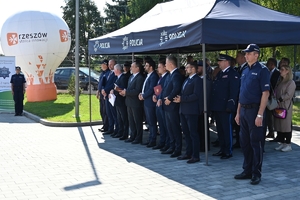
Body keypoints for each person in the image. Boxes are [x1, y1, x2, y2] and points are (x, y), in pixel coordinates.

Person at [234, 44, 270, 185]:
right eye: (246, 53)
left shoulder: (262, 70)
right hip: (243, 111)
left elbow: (265, 93)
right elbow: (241, 93)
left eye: (249, 53)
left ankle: (256, 173)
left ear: (256, 55)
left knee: (256, 143)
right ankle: (247, 170)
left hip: (255, 110)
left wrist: (260, 114)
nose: (246, 55)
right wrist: (238, 112)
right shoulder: (244, 70)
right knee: (245, 142)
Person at [211, 54, 240, 159]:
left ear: (226, 62)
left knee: (227, 129)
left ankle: (228, 151)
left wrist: (230, 104)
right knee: (220, 129)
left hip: (226, 107)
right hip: (218, 106)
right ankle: (222, 149)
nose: (218, 63)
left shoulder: (232, 74)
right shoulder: (220, 73)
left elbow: (234, 92)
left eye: (220, 61)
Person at [174, 62, 202, 164]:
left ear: (193, 69)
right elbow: (182, 92)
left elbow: (195, 95)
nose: (186, 69)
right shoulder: (187, 79)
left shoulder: (197, 80)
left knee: (193, 133)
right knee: (186, 133)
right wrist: (179, 98)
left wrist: (183, 99)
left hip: (191, 110)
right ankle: (188, 153)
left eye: (188, 68)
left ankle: (195, 155)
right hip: (183, 109)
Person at [161, 55, 183, 158]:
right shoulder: (170, 75)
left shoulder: (176, 75)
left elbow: (176, 88)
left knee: (175, 128)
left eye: (166, 63)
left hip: (172, 105)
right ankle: (171, 146)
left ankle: (177, 149)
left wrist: (169, 98)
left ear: (170, 64)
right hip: (167, 106)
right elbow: (165, 88)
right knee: (169, 128)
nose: (165, 65)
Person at [120, 62, 145, 144]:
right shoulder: (131, 77)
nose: (131, 68)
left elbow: (137, 90)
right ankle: (132, 135)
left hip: (136, 103)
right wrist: (124, 92)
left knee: (137, 120)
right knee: (131, 121)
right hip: (129, 102)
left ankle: (138, 137)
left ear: (137, 68)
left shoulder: (140, 78)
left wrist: (126, 92)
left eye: (132, 67)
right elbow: (129, 88)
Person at [273, 65, 296, 152]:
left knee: (286, 125)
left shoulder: (291, 82)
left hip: (286, 106)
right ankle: (282, 142)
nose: (280, 71)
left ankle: (288, 144)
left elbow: (288, 94)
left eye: (282, 70)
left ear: (287, 71)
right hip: (278, 106)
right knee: (279, 124)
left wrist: (280, 99)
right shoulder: (280, 81)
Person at [139, 59, 159, 147]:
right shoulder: (148, 75)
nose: (144, 67)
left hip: (150, 102)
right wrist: (141, 94)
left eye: (146, 65)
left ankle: (153, 140)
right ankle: (150, 138)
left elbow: (151, 89)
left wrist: (144, 95)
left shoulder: (154, 76)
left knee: (152, 121)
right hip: (146, 101)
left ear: (151, 67)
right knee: (149, 122)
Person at [152, 59, 169, 150]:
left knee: (165, 125)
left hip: (163, 104)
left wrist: (159, 98)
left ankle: (166, 142)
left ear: (165, 68)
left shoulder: (166, 77)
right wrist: (155, 95)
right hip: (158, 103)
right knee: (161, 124)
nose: (158, 69)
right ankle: (162, 142)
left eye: (159, 67)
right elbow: (158, 89)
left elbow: (165, 90)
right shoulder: (161, 77)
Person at [110, 64, 129, 140]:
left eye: (114, 70)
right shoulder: (117, 78)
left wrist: (115, 91)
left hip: (122, 101)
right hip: (117, 101)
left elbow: (122, 89)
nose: (114, 71)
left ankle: (125, 133)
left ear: (117, 70)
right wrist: (113, 90)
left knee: (124, 118)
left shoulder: (123, 78)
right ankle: (120, 132)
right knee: (119, 118)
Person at [196, 60, 212, 152]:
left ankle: (205, 146)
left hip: (203, 109)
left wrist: (205, 109)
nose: (197, 69)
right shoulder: (198, 79)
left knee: (203, 129)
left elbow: (207, 96)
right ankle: (200, 145)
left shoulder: (207, 80)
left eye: (199, 67)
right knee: (198, 128)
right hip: (196, 108)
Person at [102, 59, 118, 136]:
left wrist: (105, 90)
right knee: (108, 113)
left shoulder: (115, 74)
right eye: (109, 64)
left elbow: (112, 84)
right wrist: (102, 89)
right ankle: (110, 129)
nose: (110, 66)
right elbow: (103, 82)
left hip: (112, 96)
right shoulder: (107, 73)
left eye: (111, 64)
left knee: (113, 113)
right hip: (106, 95)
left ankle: (116, 129)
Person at [265, 58, 280, 139]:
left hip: (274, 96)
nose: (267, 65)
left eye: (269, 63)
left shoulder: (277, 73)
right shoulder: (267, 72)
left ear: (272, 64)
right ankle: (271, 131)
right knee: (268, 116)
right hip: (267, 97)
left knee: (275, 116)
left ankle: (276, 132)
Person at [97, 60, 109, 132]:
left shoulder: (108, 73)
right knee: (101, 110)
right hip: (101, 93)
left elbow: (106, 84)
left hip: (105, 94)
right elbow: (100, 83)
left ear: (105, 65)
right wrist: (98, 91)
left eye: (102, 64)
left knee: (105, 111)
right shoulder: (102, 73)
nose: (101, 66)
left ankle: (106, 126)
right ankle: (104, 124)